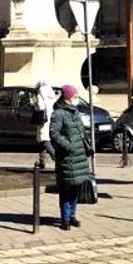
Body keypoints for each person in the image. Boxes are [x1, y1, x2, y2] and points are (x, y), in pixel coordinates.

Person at [49, 84, 91, 231]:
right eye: (75, 97)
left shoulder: (74, 111)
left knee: (75, 189)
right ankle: (65, 219)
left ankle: (72, 216)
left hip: (79, 157)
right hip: (67, 158)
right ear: (67, 98)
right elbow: (54, 133)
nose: (77, 99)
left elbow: (81, 131)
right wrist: (69, 146)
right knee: (65, 190)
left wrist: (86, 144)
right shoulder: (58, 113)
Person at [33, 79, 55, 168]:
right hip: (51, 118)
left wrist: (34, 105)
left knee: (44, 140)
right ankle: (42, 161)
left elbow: (40, 107)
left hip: (43, 119)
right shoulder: (52, 94)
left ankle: (56, 157)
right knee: (43, 141)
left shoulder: (40, 95)